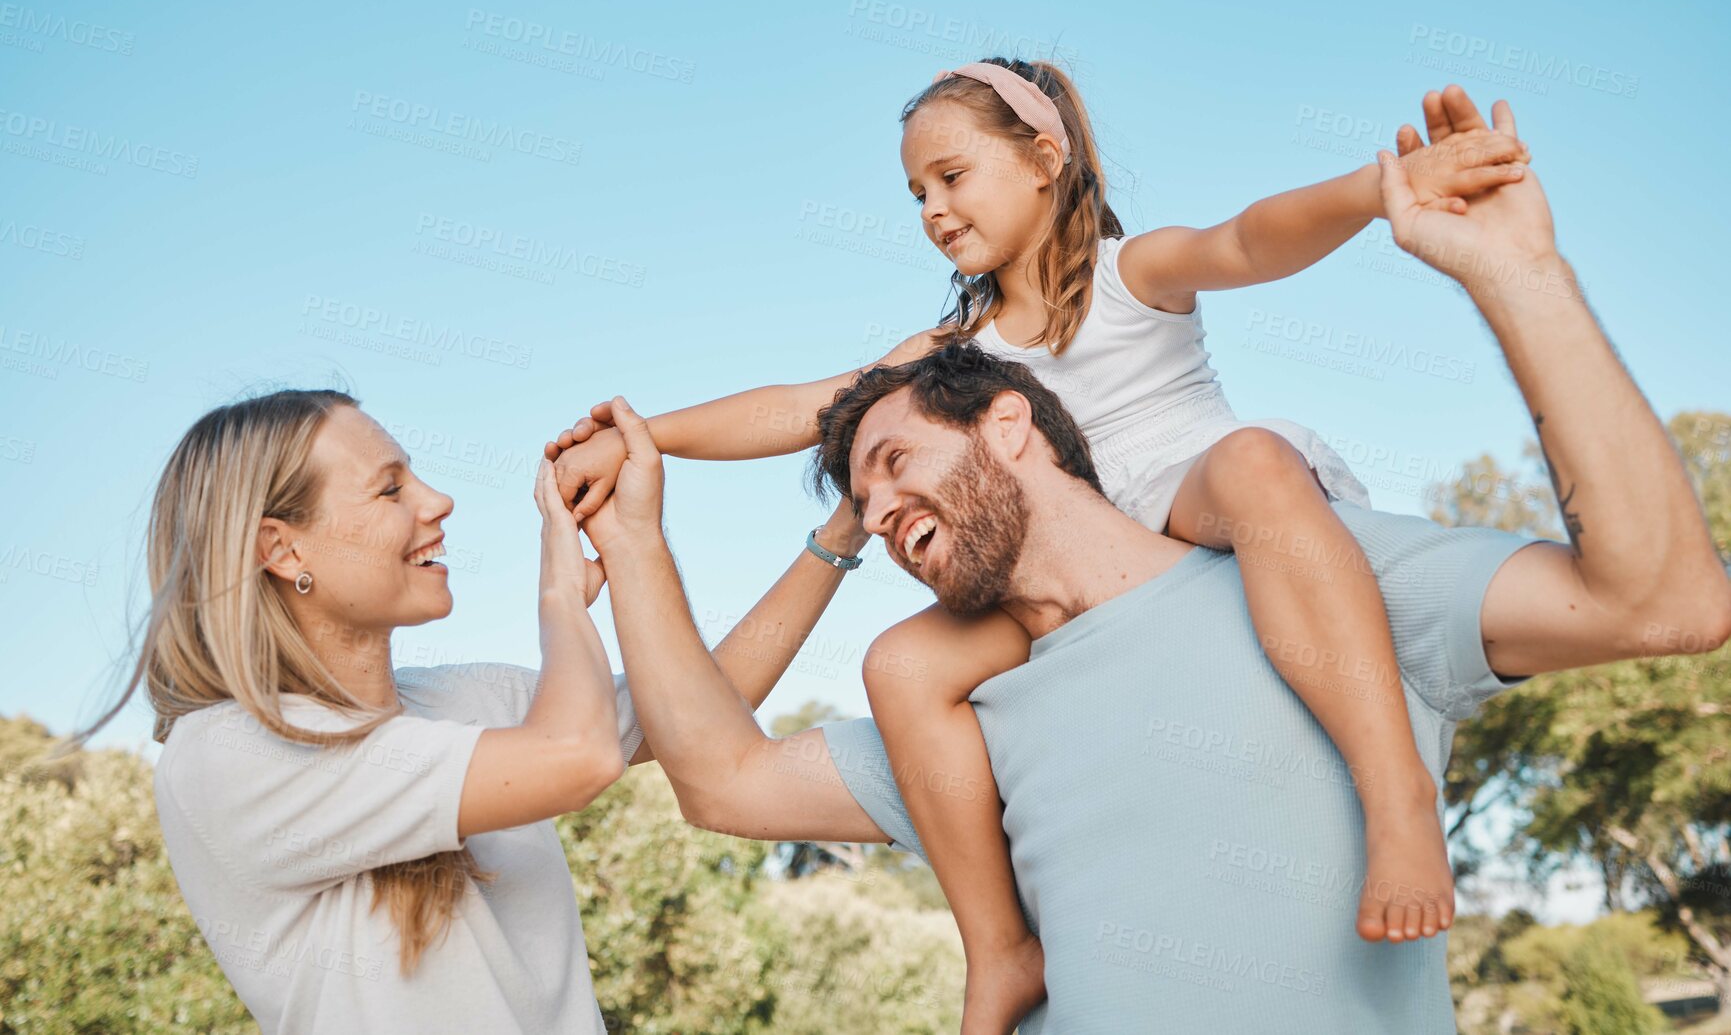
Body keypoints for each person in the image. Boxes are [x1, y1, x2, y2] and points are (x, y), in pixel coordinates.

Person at [565, 91, 1731, 1033]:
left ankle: (1399, 797)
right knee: (898, 661)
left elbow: (1251, 238)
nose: (930, 208)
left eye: (952, 176)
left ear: (1046, 153)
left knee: (1260, 470)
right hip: (1084, 575)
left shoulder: (1136, 288)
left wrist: (1383, 200)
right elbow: (799, 425)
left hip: (1208, 492)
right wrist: (644, 442)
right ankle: (998, 953)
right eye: (915, 191)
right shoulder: (952, 416)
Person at [71, 392, 868, 1034]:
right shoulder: (231, 752)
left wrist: (842, 527)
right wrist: (563, 583)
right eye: (390, 488)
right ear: (283, 551)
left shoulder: (466, 699)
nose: (437, 500)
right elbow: (579, 755)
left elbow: (703, 708)